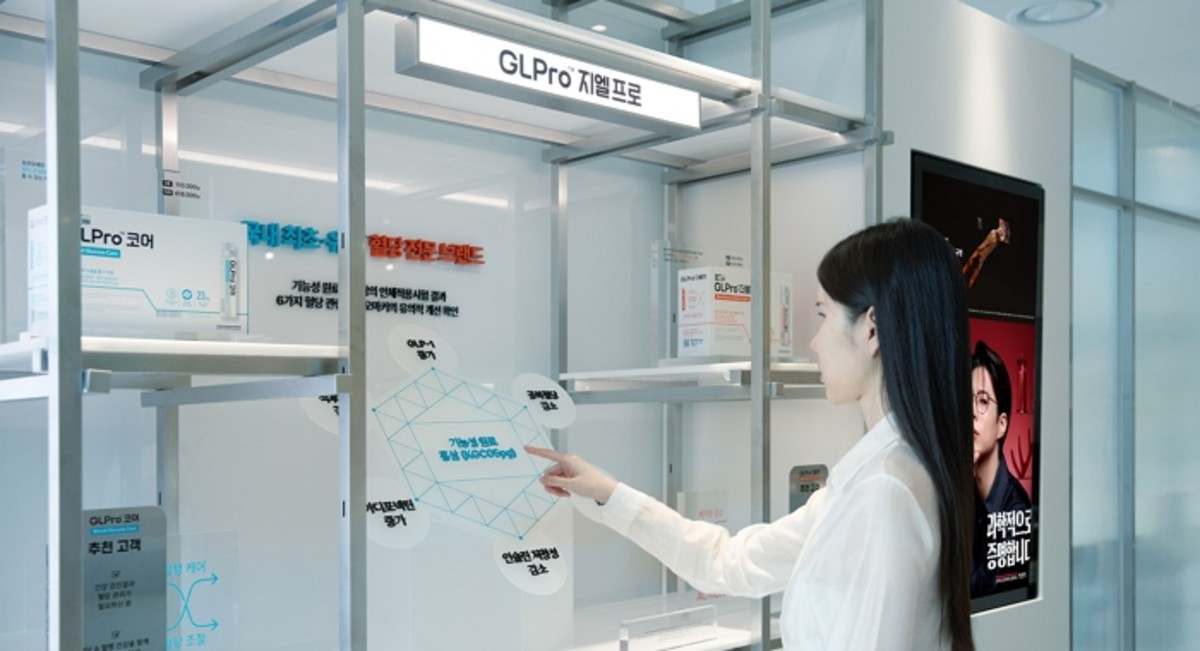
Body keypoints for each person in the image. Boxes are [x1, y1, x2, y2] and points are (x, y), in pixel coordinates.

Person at [528, 219, 976, 650]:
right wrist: (609, 494)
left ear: (872, 328)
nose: (815, 341)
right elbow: (730, 562)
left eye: (824, 315)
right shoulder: (889, 473)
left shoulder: (882, 492)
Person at [970, 340, 1033, 597]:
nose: (972, 412)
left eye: (983, 401)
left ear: (1002, 425)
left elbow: (978, 592)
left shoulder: (1017, 509)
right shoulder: (963, 493)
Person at [961, 217, 1010, 289]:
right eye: (1000, 230)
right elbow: (986, 244)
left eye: (1001, 232)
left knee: (974, 273)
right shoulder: (993, 233)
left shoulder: (998, 240)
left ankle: (969, 285)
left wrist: (1004, 232)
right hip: (979, 251)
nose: (1000, 232)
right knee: (969, 264)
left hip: (982, 255)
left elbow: (1005, 240)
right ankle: (961, 275)